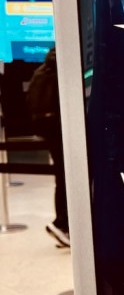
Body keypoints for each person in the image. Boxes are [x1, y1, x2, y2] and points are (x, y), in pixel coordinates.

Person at [27, 47, 69, 247]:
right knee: (67, 177)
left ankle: (63, 225)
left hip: (48, 130)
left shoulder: (42, 70)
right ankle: (62, 224)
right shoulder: (63, 69)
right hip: (61, 130)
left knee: (62, 176)